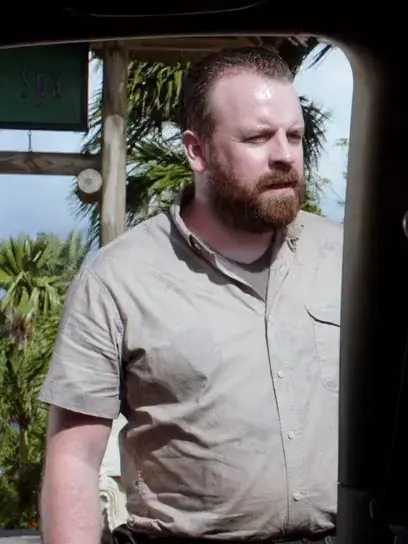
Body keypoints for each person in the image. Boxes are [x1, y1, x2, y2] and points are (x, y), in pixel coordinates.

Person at [38, 47, 343, 544]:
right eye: (257, 137)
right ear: (196, 150)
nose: (285, 155)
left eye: (294, 136)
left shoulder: (345, 257)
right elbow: (75, 459)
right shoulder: (118, 279)